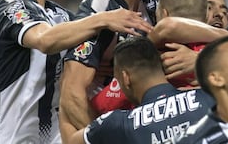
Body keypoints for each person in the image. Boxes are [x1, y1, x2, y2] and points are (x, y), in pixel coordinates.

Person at [0, 0, 152, 144]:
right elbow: (44, 40)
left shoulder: (60, 14)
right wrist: (102, 18)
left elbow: (84, 49)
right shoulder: (11, 8)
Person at [59, 0, 170, 142]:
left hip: (143, 121)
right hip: (112, 124)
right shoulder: (98, 11)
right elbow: (72, 96)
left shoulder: (152, 4)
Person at [69, 36, 215, 144]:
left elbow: (73, 141)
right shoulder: (209, 97)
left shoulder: (116, 124)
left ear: (125, 78)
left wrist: (66, 92)